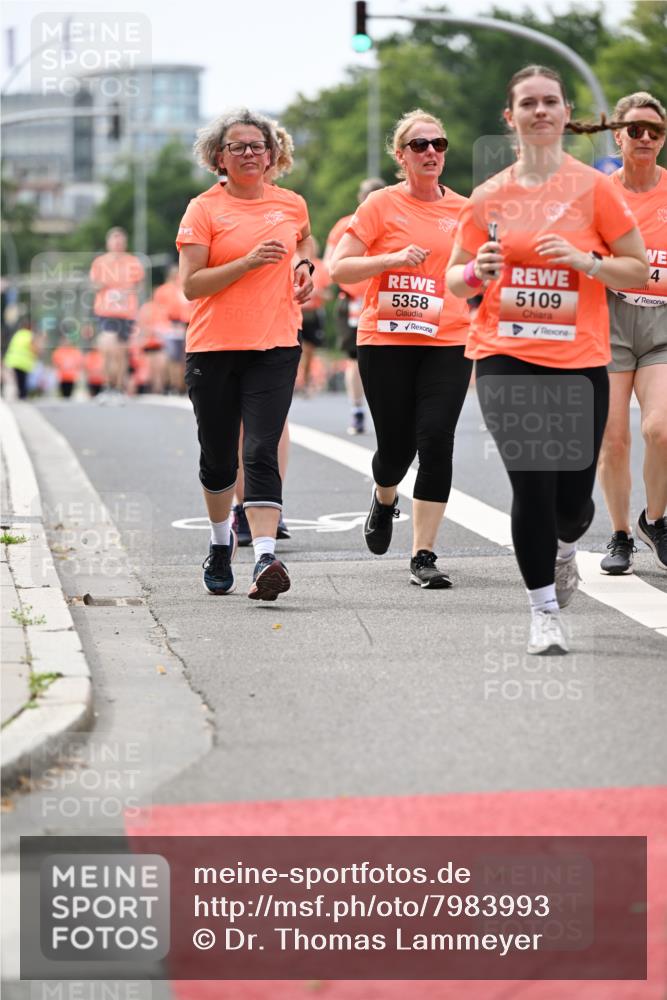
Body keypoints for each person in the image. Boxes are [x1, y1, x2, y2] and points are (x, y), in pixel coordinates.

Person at [447, 64, 650, 654]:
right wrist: (473, 272)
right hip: (505, 354)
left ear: (565, 115)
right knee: (531, 486)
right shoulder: (489, 195)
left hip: (580, 359)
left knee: (570, 507)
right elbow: (454, 281)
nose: (540, 111)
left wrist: (587, 263)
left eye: (551, 102)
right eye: (528, 103)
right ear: (510, 118)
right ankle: (542, 613)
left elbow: (635, 267)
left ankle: (566, 546)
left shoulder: (596, 189)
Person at [330, 109, 472, 589]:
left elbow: (478, 273)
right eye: (420, 145)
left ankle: (424, 553)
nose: (431, 151)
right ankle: (385, 495)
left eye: (439, 143)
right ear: (401, 156)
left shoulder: (464, 209)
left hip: (448, 339)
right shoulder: (378, 205)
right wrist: (391, 258)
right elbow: (339, 267)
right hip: (386, 340)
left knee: (436, 440)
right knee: (396, 448)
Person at [177, 108, 314, 600]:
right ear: (220, 157)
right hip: (214, 347)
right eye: (239, 147)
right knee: (218, 459)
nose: (251, 154)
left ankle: (263, 557)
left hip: (275, 343)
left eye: (259, 146)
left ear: (272, 154)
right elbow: (191, 285)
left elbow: (304, 239)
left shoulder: (290, 203)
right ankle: (218, 544)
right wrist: (248, 262)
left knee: (260, 448)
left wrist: (304, 266)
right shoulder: (204, 209)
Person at [597, 91, 667, 574]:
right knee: (614, 439)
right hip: (609, 321)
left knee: (660, 428)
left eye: (655, 131)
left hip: (662, 322)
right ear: (617, 135)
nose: (644, 138)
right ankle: (620, 534)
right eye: (635, 130)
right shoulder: (600, 194)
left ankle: (655, 519)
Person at [324, 177, 387, 434]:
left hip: (388, 297)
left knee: (388, 359)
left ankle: (378, 410)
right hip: (355, 301)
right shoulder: (344, 226)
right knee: (355, 359)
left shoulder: (395, 221)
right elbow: (330, 264)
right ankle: (357, 409)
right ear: (361, 200)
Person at [89, 227, 144, 397]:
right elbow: (94, 284)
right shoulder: (100, 262)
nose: (118, 243)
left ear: (125, 243)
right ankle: (107, 385)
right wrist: (108, 284)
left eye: (121, 240)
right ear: (108, 243)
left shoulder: (133, 262)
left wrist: (126, 292)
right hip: (106, 311)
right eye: (114, 239)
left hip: (126, 312)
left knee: (120, 352)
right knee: (107, 346)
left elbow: (139, 286)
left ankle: (118, 387)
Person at [153, 265, 191, 394]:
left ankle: (182, 385)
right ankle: (173, 384)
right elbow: (159, 310)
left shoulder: (183, 288)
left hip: (185, 324)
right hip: (171, 326)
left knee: (184, 357)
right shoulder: (164, 291)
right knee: (173, 357)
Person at [3, 319, 39, 399]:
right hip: (23, 363)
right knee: (22, 381)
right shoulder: (29, 335)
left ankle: (16, 396)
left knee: (16, 380)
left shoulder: (17, 334)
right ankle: (22, 396)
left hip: (12, 361)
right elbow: (33, 348)